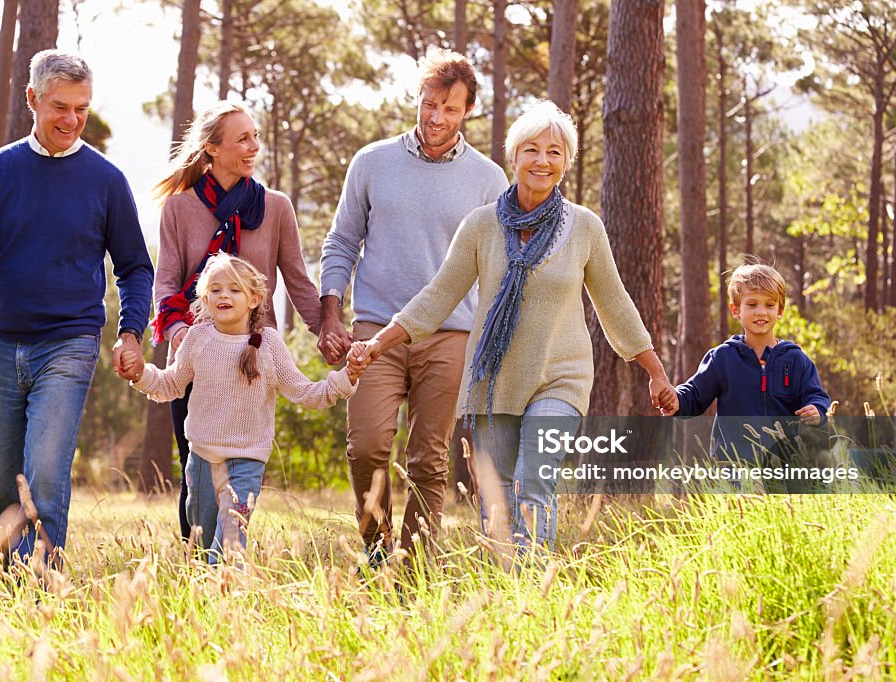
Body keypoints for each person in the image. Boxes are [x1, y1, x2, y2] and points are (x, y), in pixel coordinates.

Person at [349, 101, 676, 557]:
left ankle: (530, 589)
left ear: (566, 162)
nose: (542, 161)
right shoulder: (481, 226)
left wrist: (655, 371)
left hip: (560, 378)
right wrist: (378, 342)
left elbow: (615, 304)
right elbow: (438, 296)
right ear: (513, 156)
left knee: (534, 479)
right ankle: (508, 594)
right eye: (531, 150)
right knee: (498, 497)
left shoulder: (584, 227)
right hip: (495, 380)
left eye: (554, 152)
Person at [0, 50, 154, 566]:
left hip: (70, 342)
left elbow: (135, 266)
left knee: (46, 472)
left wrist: (130, 332)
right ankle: (11, 590)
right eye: (60, 106)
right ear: (32, 99)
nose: (72, 119)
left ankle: (43, 587)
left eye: (81, 108)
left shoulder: (106, 180)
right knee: (6, 482)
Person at [318, 49, 508, 563]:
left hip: (451, 333)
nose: (435, 118)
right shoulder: (372, 162)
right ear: (417, 100)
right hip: (375, 329)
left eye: (449, 108)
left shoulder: (489, 181)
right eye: (428, 104)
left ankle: (415, 566)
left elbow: (499, 267)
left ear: (467, 110)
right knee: (367, 446)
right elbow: (341, 242)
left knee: (428, 457)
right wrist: (330, 314)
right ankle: (378, 552)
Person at [151, 101, 323, 541]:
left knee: (242, 469)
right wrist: (182, 338)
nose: (254, 146)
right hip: (198, 356)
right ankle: (195, 563)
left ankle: (229, 558)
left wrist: (327, 330)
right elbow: (166, 283)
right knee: (195, 469)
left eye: (256, 136)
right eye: (243, 138)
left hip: (252, 357)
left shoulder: (276, 208)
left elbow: (299, 279)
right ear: (212, 148)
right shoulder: (178, 209)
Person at [119, 254, 358, 562]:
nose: (224, 296)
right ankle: (206, 603)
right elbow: (170, 385)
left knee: (229, 547)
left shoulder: (268, 345)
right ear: (205, 297)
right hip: (202, 461)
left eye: (234, 289)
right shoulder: (198, 338)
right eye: (216, 289)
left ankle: (228, 599)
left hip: (245, 463)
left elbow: (306, 393)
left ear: (254, 298)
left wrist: (345, 378)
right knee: (202, 544)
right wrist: (140, 374)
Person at [666, 262, 831, 463]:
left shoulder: (796, 360)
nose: (761, 311)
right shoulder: (722, 358)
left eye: (769, 305)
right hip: (733, 465)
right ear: (736, 310)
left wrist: (816, 410)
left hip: (784, 466)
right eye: (752, 304)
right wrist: (675, 401)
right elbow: (694, 395)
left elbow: (816, 396)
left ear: (780, 310)